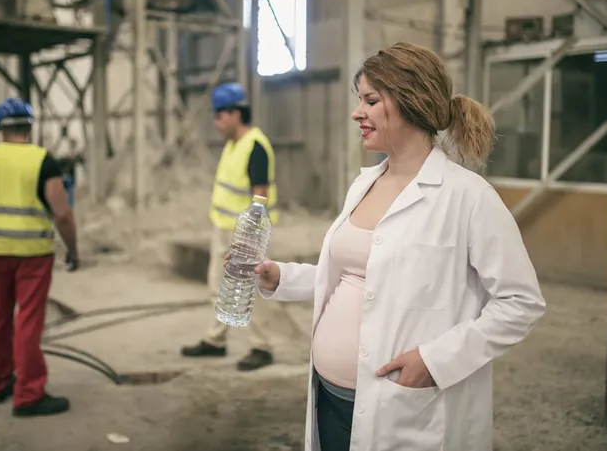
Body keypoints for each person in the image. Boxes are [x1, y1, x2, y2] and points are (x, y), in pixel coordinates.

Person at [253, 42, 547, 451]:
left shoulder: (467, 197)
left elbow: (521, 301)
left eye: (371, 100)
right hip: (329, 393)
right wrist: (282, 276)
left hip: (402, 408)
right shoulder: (364, 184)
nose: (358, 113)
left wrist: (437, 360)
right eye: (360, 101)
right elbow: (361, 277)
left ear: (412, 102)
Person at [0, 98, 79, 417]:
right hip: (32, 255)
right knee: (28, 318)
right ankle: (29, 394)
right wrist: (72, 249)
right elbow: (63, 215)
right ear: (29, 126)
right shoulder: (43, 161)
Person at [180, 82, 285, 371]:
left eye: (220, 115)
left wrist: (252, 235)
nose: (216, 122)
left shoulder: (256, 146)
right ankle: (216, 340)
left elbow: (260, 192)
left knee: (254, 289)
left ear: (236, 113)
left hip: (246, 234)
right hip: (224, 229)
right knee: (218, 286)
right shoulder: (232, 145)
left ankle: (262, 347)